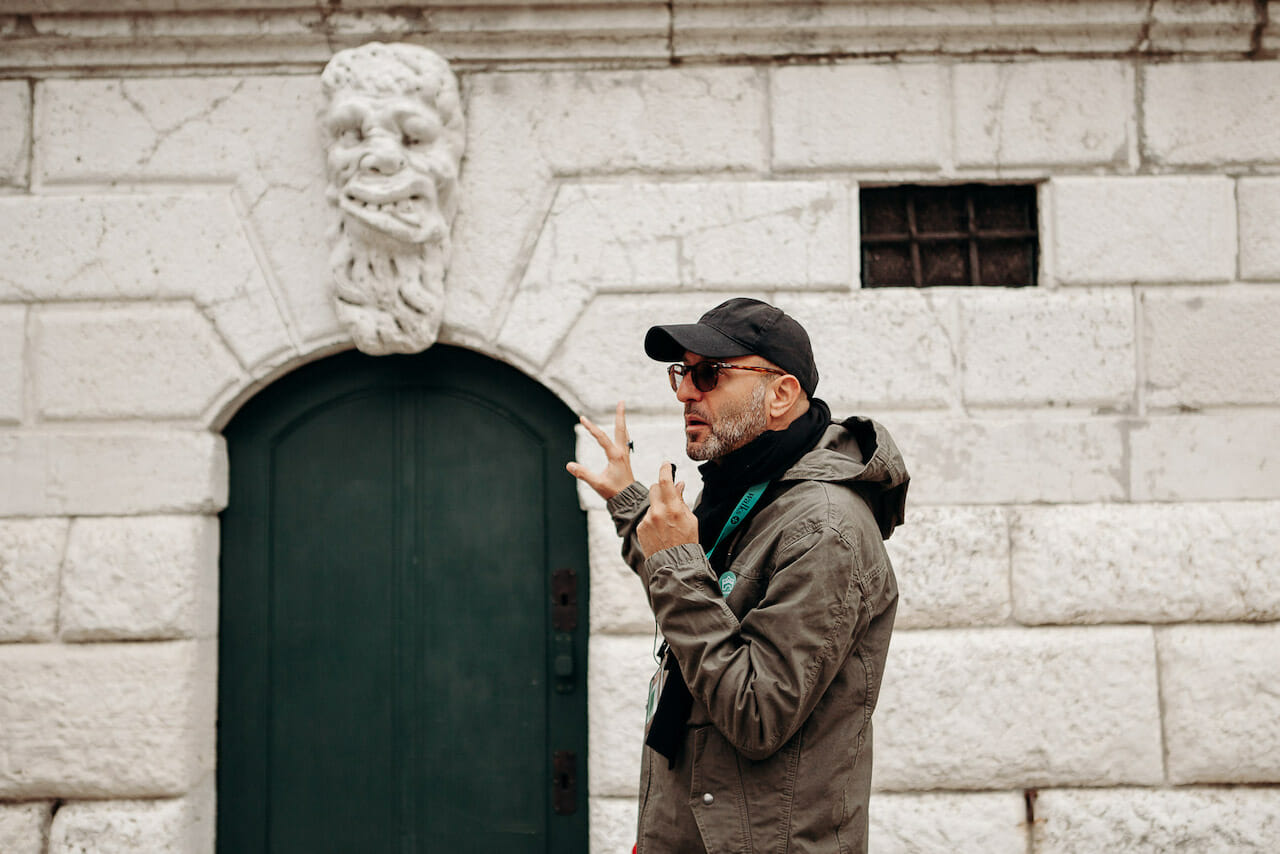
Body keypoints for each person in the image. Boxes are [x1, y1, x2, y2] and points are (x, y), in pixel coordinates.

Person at [566, 297, 909, 854]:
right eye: (681, 373)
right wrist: (635, 507)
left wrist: (676, 559)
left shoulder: (823, 529)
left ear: (780, 394)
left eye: (708, 373)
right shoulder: (743, 487)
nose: (683, 392)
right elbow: (699, 597)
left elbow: (756, 713)